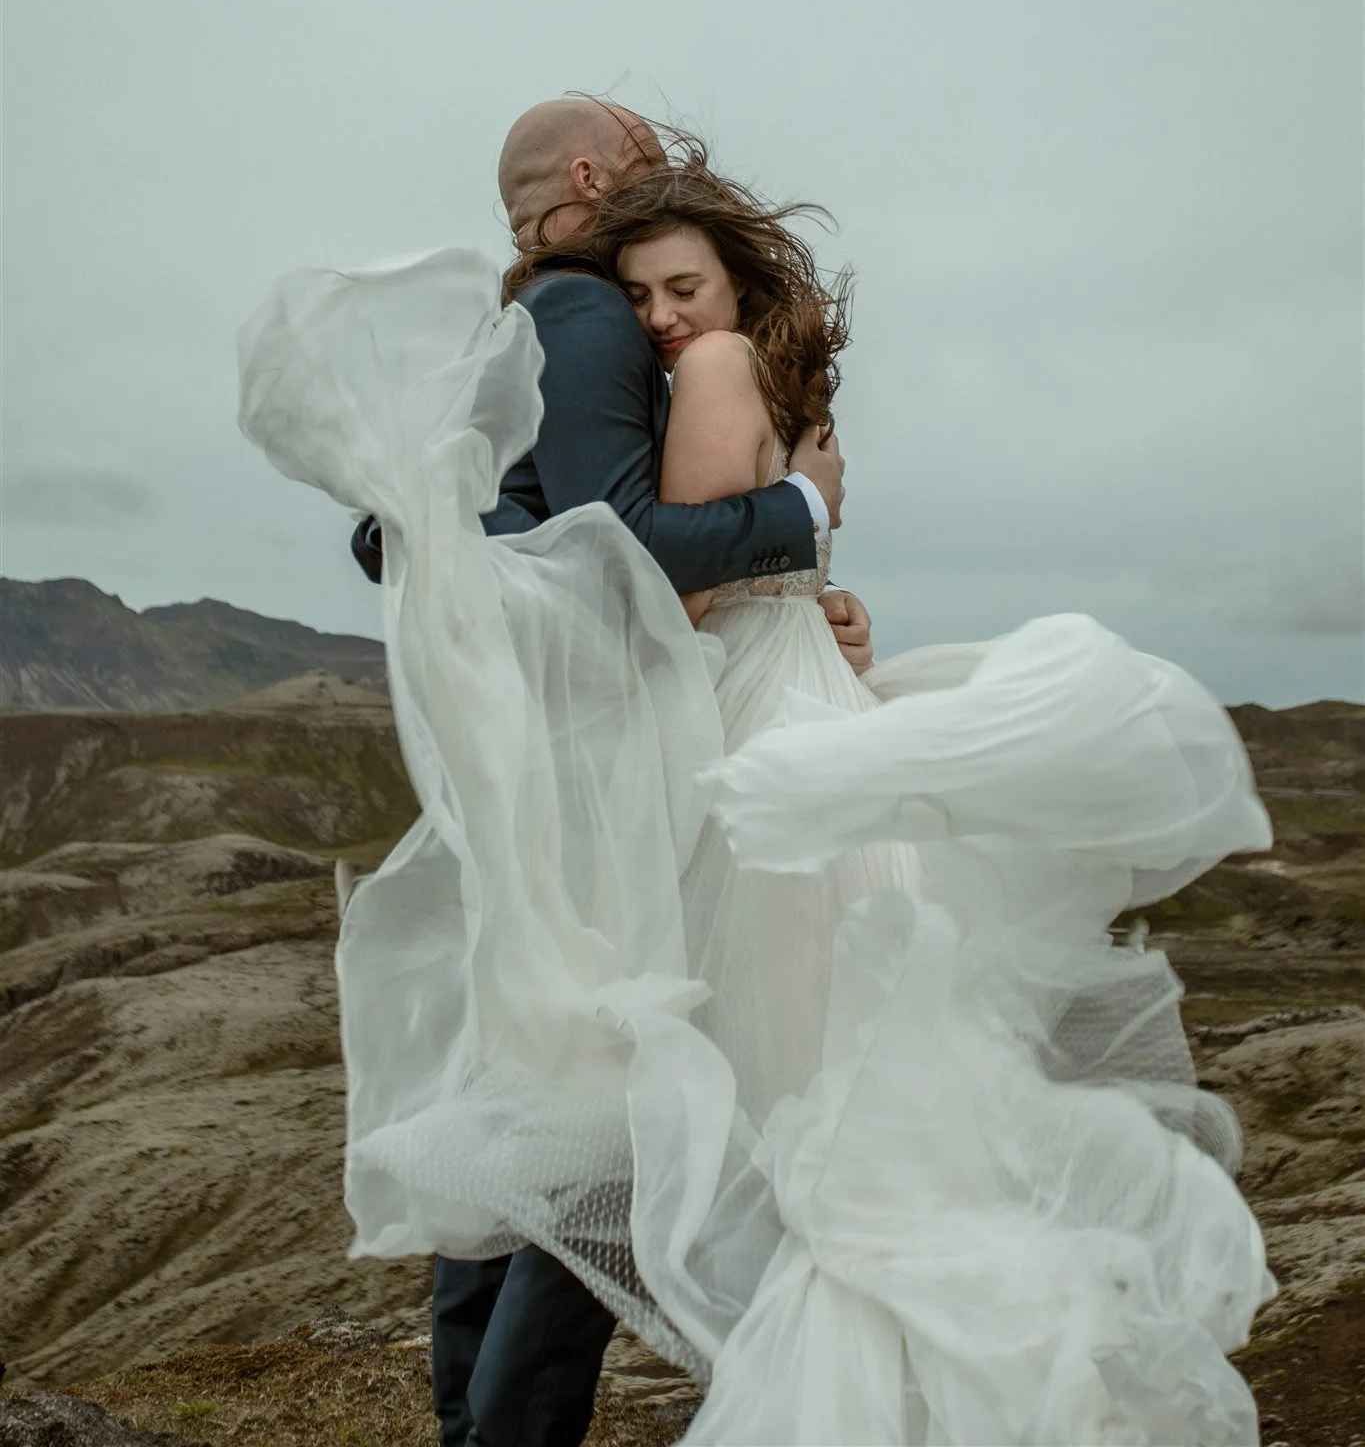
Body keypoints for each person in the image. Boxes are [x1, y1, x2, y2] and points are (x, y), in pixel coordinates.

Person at [238, 131, 1273, 1447]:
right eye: (646, 294)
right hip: (739, 737)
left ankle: (505, 1422)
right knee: (657, 1125)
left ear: (738, 288)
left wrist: (789, 552)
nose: (659, 316)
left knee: (624, 1117)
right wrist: (800, 522)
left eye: (684, 290)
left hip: (730, 761)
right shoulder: (687, 358)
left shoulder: (698, 364)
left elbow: (663, 576)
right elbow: (660, 559)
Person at [343, 98, 870, 1447]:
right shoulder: (581, 318)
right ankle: (502, 1427)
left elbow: (387, 536)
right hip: (610, 772)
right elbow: (630, 551)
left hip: (539, 762)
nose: (680, 178)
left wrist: (801, 602)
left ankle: (478, 1419)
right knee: (619, 1126)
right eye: (658, 158)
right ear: (595, 174)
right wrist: (798, 521)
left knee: (549, 1098)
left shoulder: (501, 333)